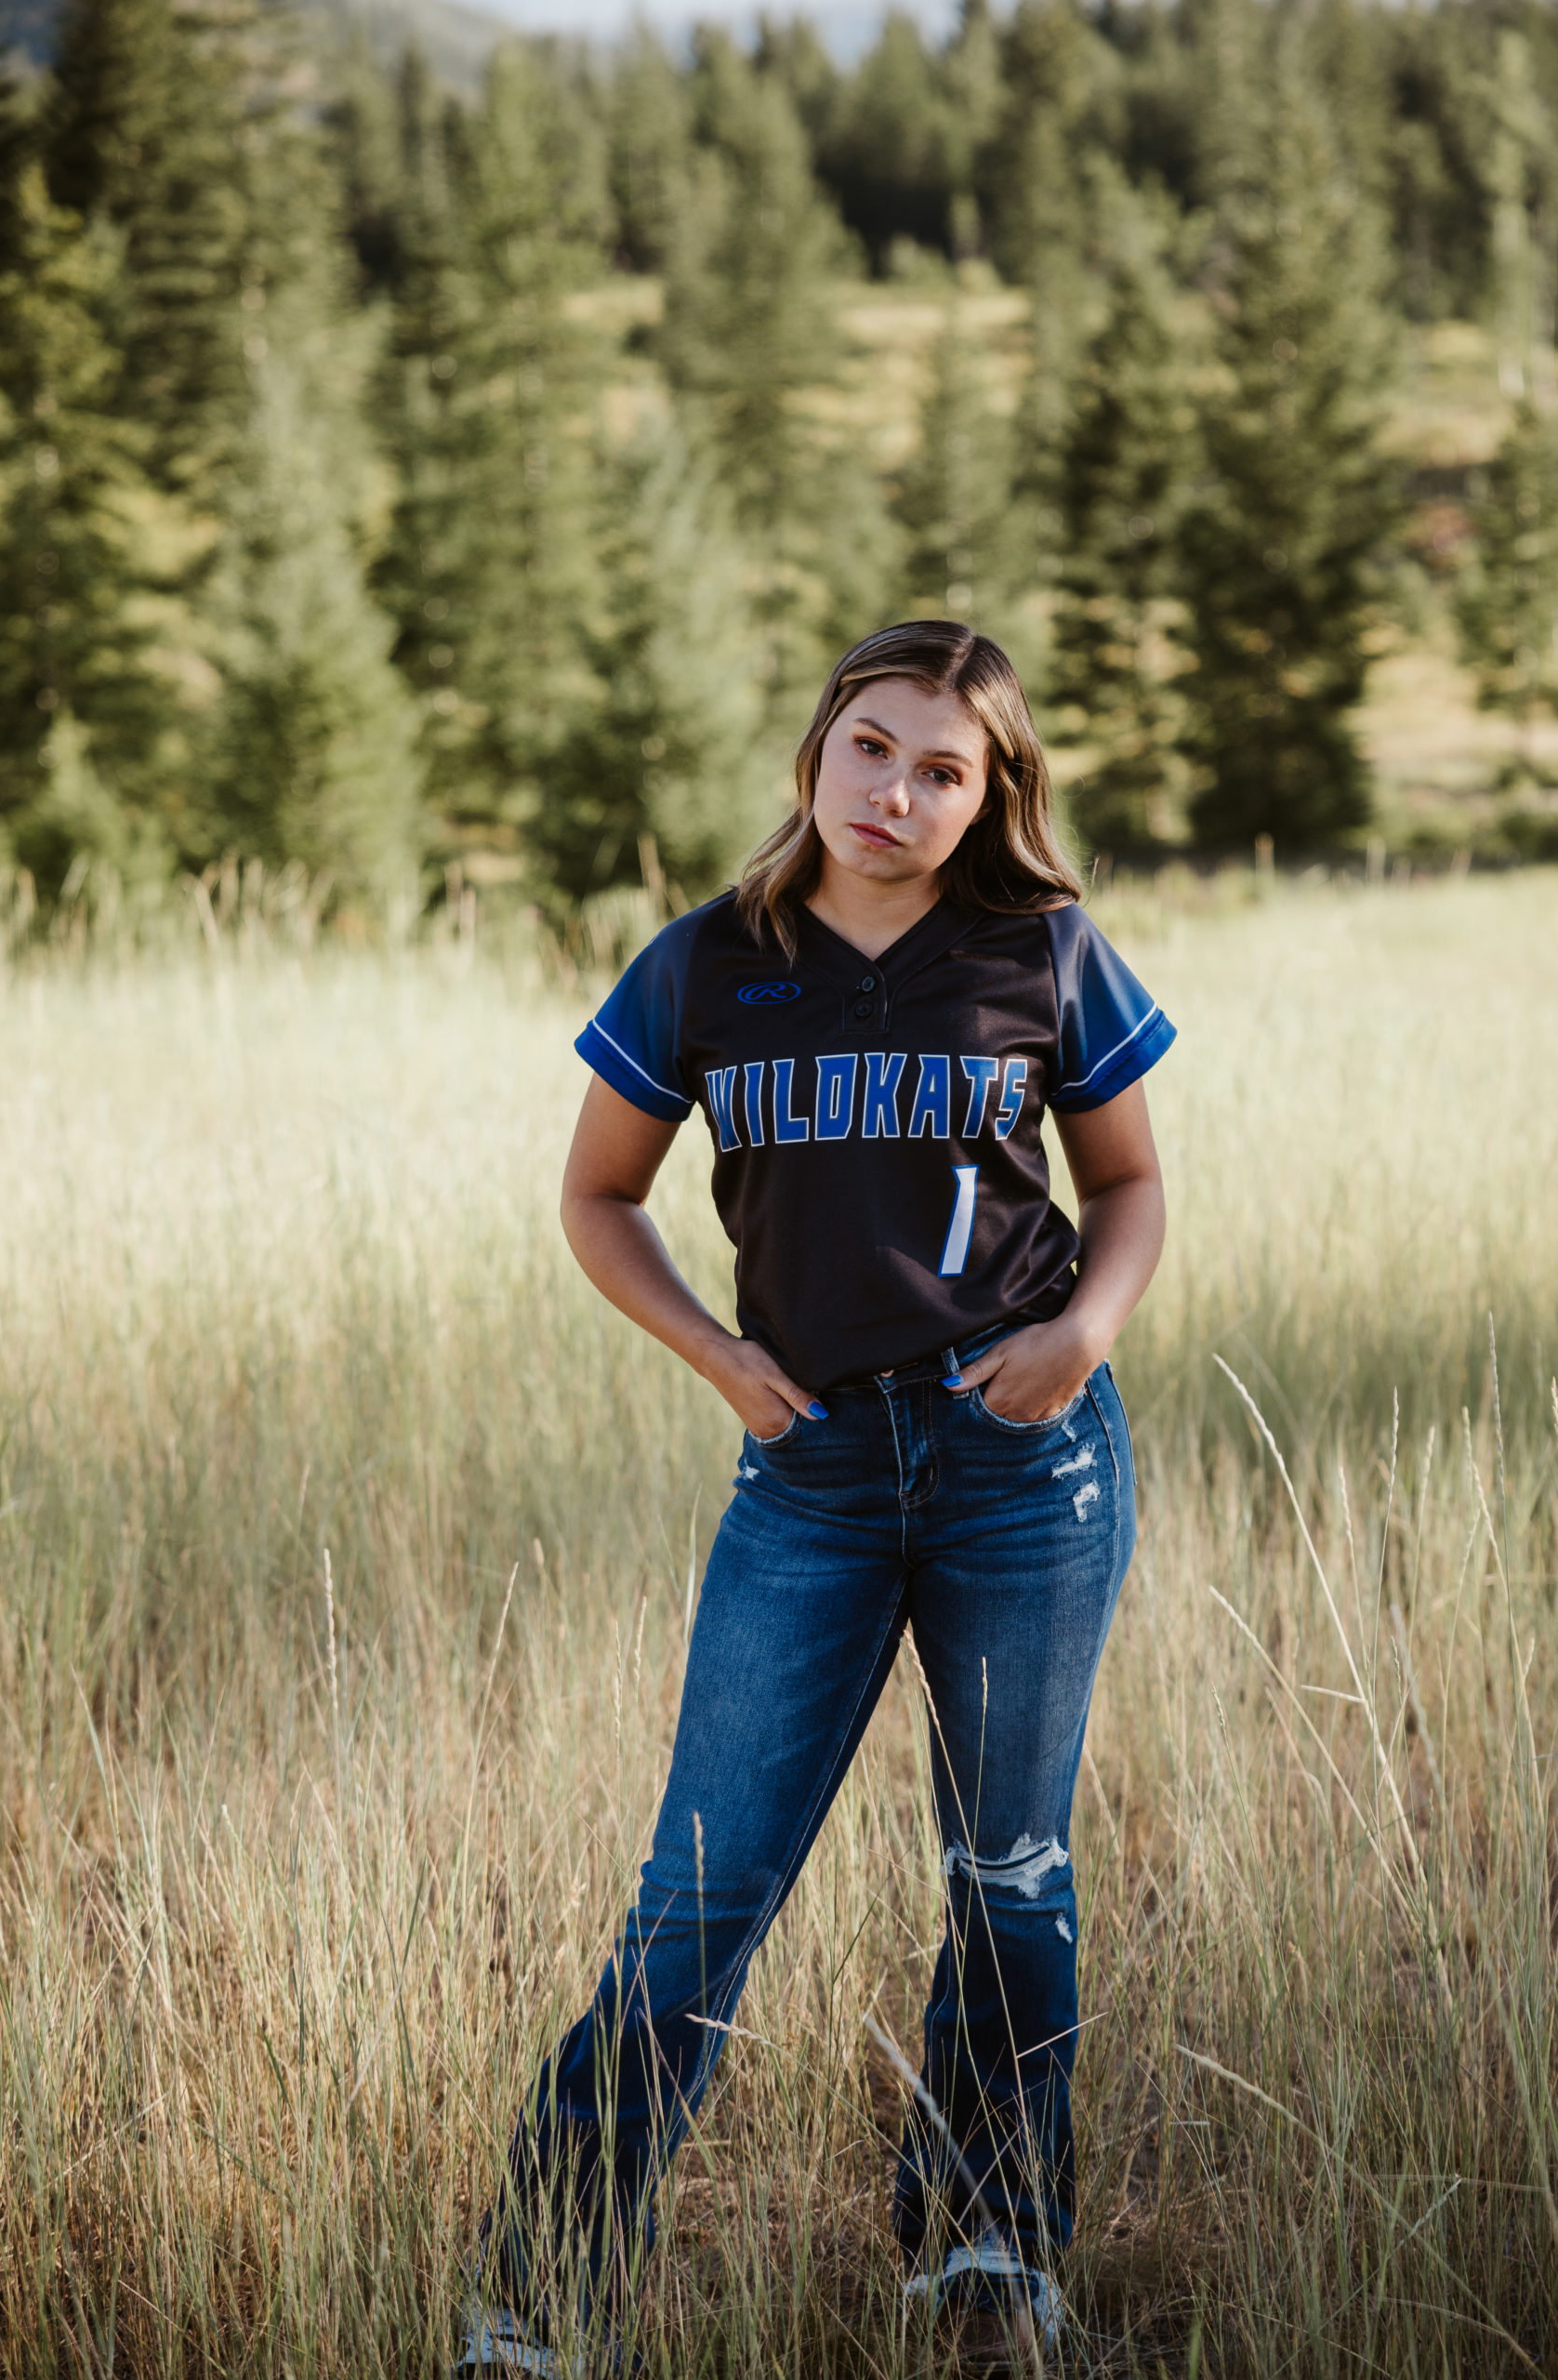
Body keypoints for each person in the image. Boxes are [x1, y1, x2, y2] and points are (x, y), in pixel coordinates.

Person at [461, 621, 1174, 2374]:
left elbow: (1134, 1180)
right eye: (874, 749)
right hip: (814, 1471)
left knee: (1007, 1868)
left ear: (993, 792)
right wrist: (717, 1355)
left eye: (946, 770)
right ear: (816, 751)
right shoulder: (715, 959)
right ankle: (536, 2298)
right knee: (701, 1889)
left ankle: (991, 2250)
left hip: (1025, 1463)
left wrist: (1082, 1330)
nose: (899, 794)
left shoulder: (1045, 952)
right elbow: (601, 1198)